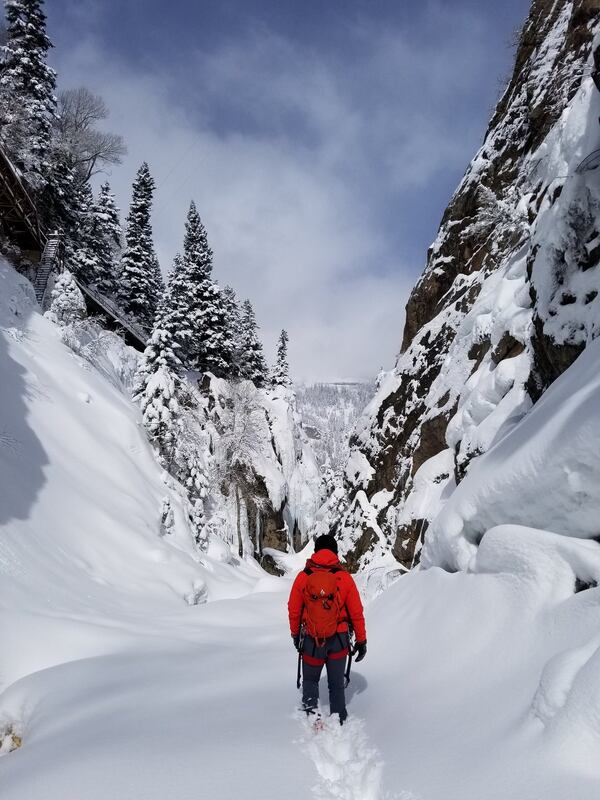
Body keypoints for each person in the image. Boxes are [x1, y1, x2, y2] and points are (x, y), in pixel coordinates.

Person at [287, 533, 367, 724]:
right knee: (336, 685)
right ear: (335, 552)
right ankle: (339, 719)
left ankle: (312, 720)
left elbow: (294, 609)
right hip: (339, 640)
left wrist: (295, 634)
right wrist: (361, 640)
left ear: (315, 552)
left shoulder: (303, 577)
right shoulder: (344, 578)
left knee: (310, 681)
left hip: (311, 639)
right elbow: (356, 612)